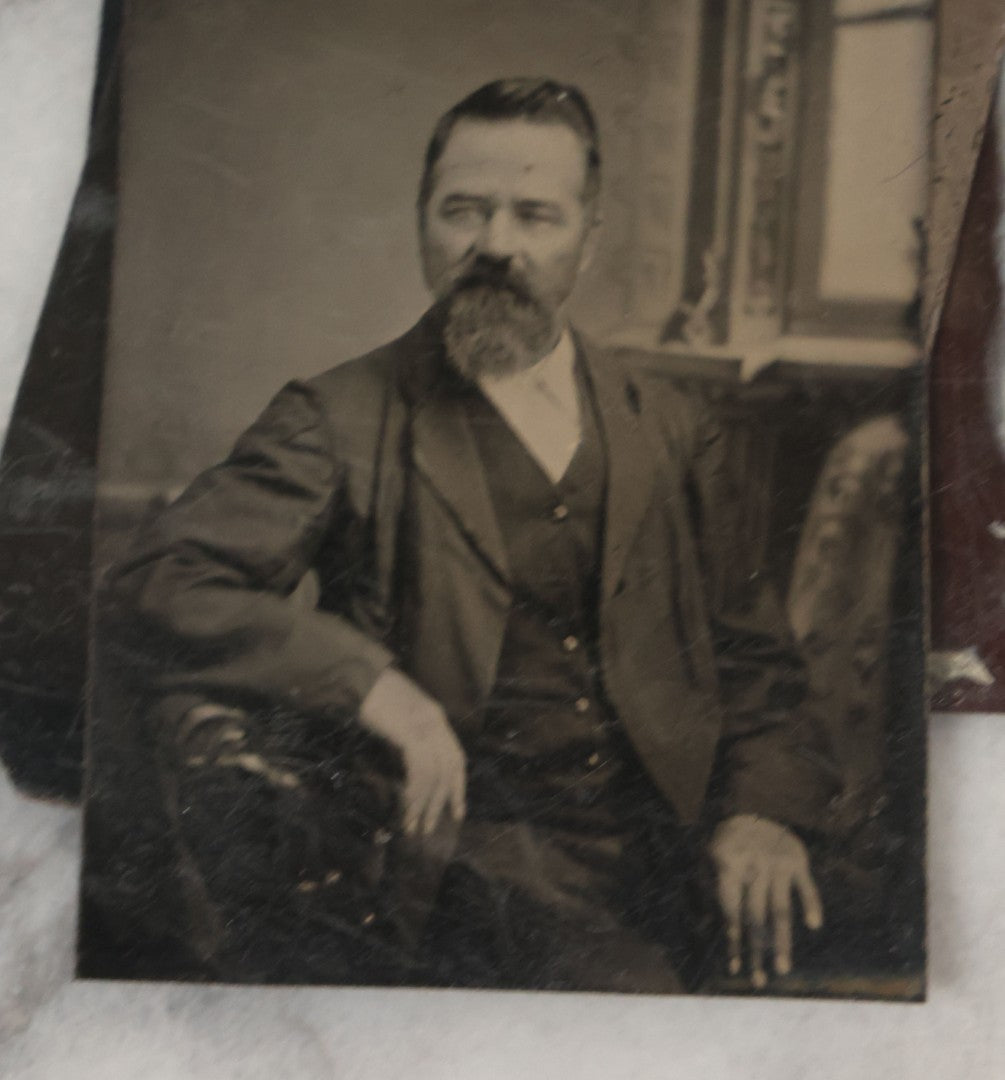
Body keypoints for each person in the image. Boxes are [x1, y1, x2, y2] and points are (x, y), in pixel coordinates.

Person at [106, 78, 838, 993]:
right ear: (422, 222)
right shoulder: (337, 417)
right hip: (454, 868)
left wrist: (763, 816)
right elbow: (158, 579)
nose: (495, 246)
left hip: (672, 853)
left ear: (587, 238)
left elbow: (757, 668)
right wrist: (374, 687)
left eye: (535, 215)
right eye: (464, 211)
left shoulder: (672, 426)